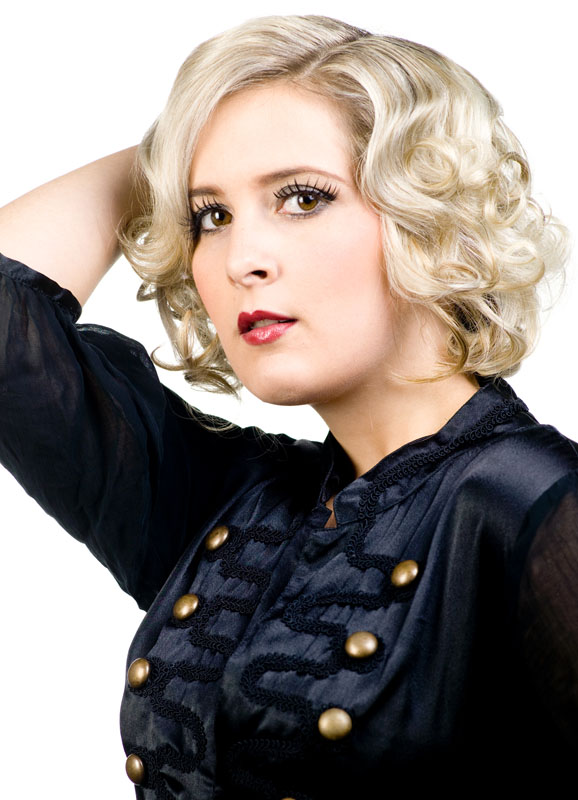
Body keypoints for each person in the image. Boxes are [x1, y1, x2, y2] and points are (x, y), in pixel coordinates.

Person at [0, 13, 576, 799]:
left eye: (303, 198)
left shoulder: (534, 505)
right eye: (211, 216)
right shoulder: (228, 507)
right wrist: (170, 156)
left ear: (430, 211)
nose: (242, 258)